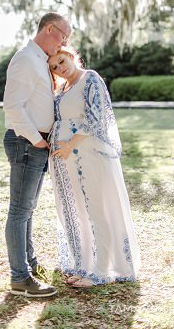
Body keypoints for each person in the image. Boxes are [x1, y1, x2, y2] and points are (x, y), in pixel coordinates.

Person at [47, 47, 139, 288]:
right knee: (79, 212)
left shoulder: (90, 79)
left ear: (71, 55)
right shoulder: (62, 89)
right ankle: (85, 265)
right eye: (54, 67)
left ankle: (102, 271)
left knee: (97, 209)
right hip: (67, 161)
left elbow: (96, 119)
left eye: (61, 60)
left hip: (88, 154)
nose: (60, 67)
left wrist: (70, 144)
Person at [2, 12, 72, 297]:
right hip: (26, 144)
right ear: (49, 29)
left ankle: (29, 264)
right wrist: (37, 140)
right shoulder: (25, 59)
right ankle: (20, 278)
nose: (64, 43)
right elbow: (13, 108)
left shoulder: (40, 61)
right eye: (63, 36)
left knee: (27, 210)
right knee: (19, 211)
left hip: (38, 145)